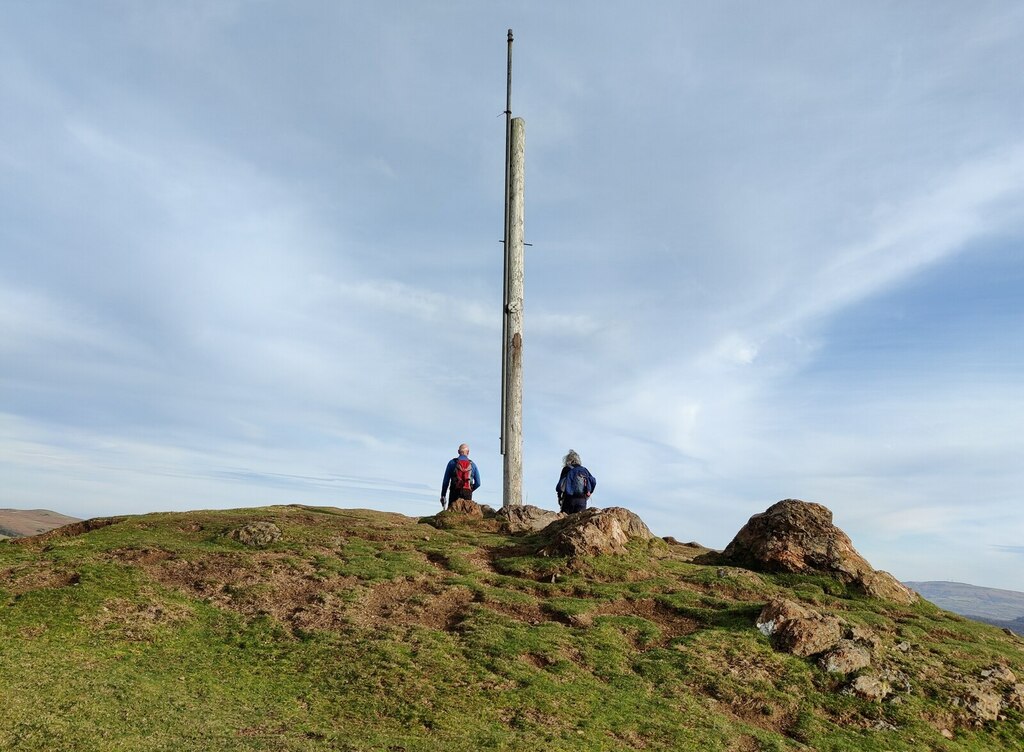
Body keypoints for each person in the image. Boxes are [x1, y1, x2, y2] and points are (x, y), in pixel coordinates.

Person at [440, 443, 481, 509]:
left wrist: (443, 495)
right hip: (467, 492)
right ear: (468, 452)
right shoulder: (473, 465)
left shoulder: (452, 463)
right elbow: (478, 483)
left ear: (458, 452)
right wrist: (471, 489)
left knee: (452, 514)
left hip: (454, 491)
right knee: (466, 514)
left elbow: (446, 481)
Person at [556, 449, 597, 514]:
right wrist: (589, 492)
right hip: (582, 500)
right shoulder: (584, 470)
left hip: (568, 500)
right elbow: (593, 481)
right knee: (579, 522)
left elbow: (560, 485)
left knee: (565, 522)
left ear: (567, 460)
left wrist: (559, 497)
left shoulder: (566, 469)